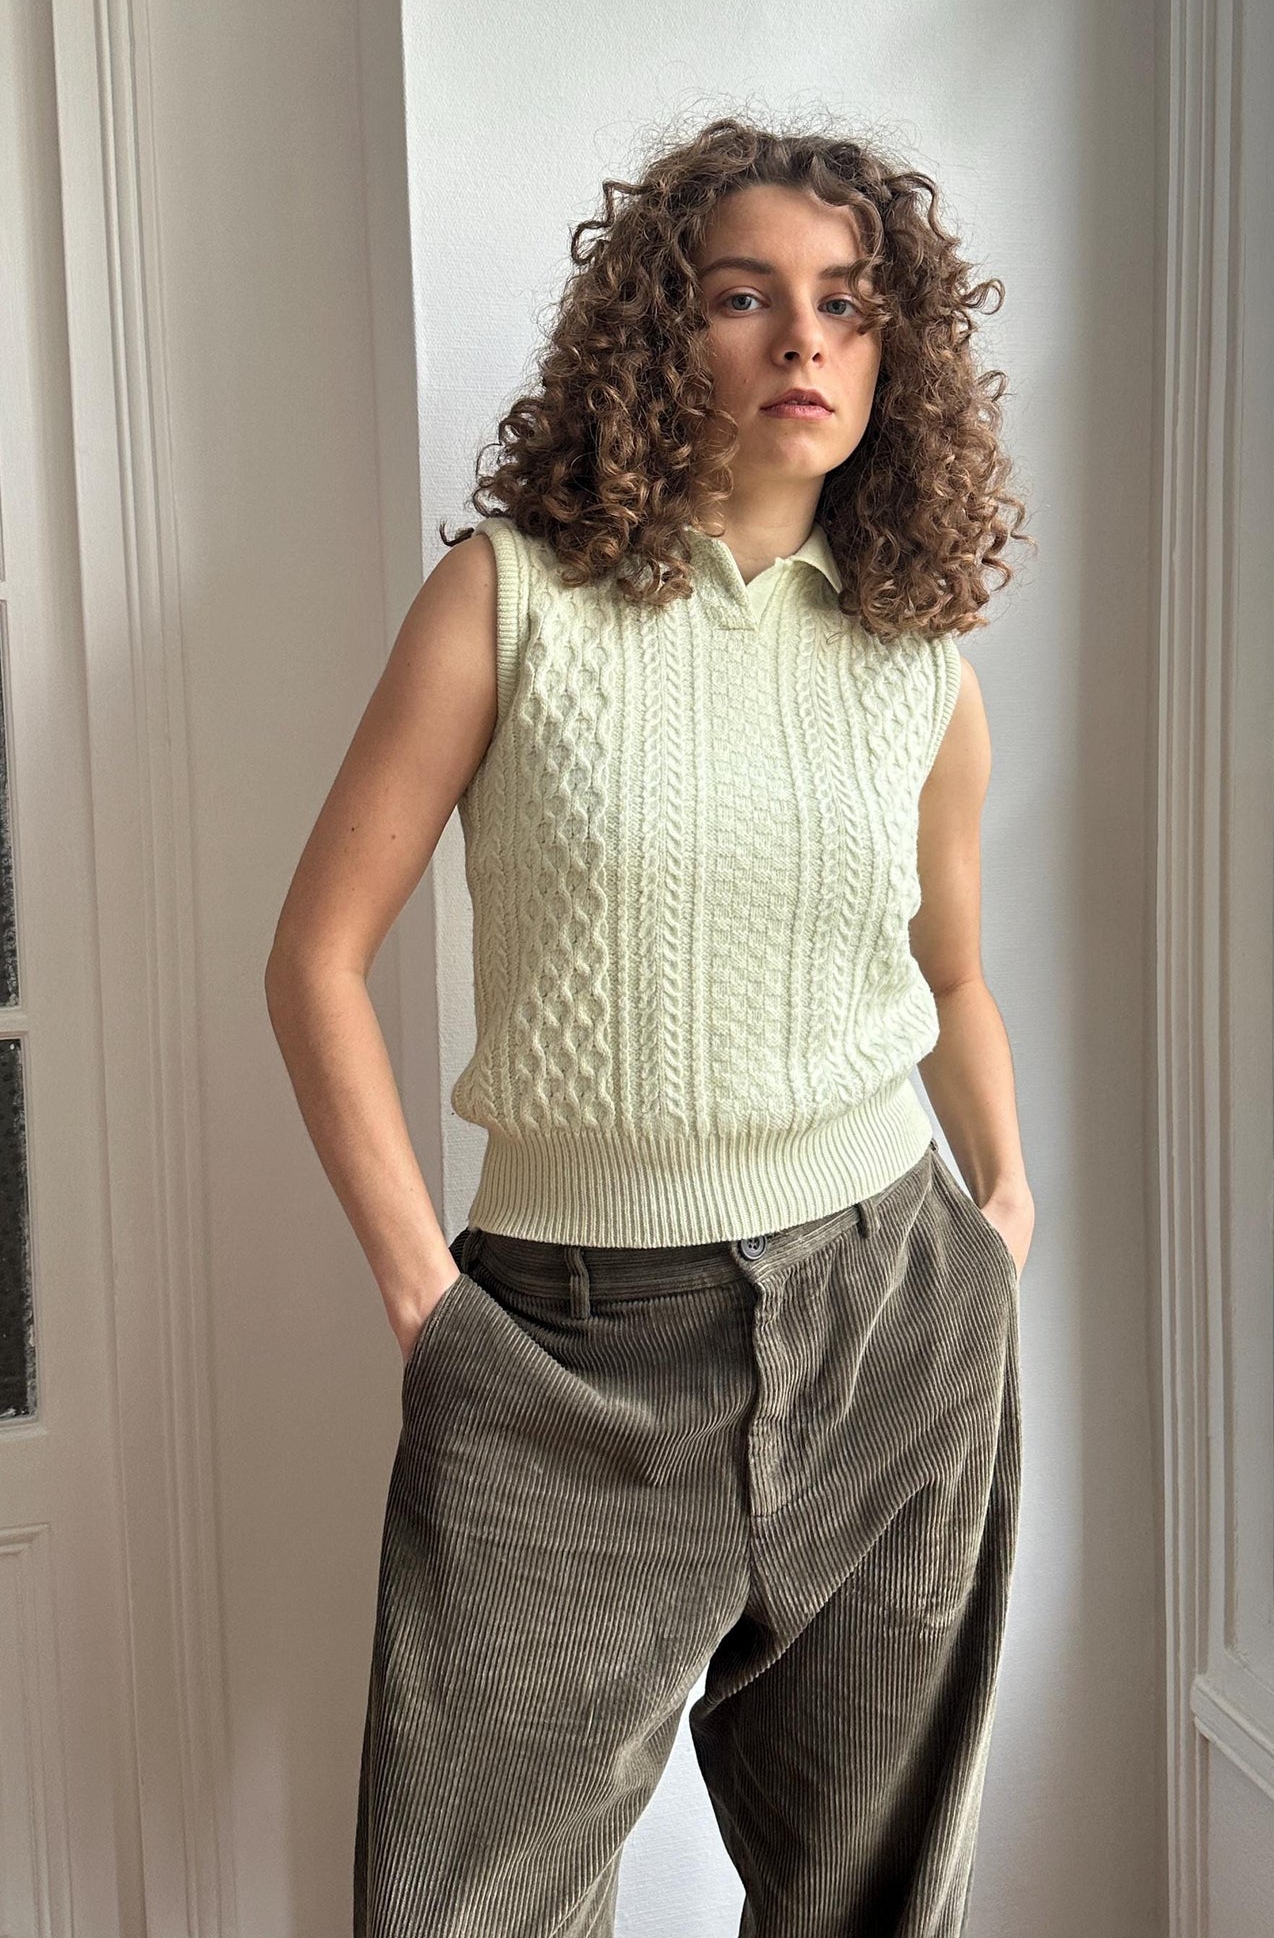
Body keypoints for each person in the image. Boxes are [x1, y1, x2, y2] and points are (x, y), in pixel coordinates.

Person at [265, 114, 1036, 1937]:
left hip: (892, 1317)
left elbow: (947, 981)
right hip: (565, 1356)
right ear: (656, 333)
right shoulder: (506, 601)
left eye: (847, 305)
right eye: (743, 296)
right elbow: (315, 957)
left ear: (891, 354)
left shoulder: (921, 661)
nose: (801, 343)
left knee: (866, 1898)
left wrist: (999, 1219)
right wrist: (424, 1307)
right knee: (464, 1909)